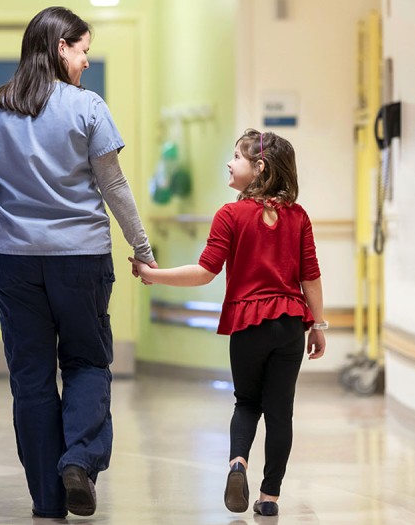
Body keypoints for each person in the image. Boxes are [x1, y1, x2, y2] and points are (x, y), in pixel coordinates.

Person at [0, 6, 156, 519]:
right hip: (81, 260)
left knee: (31, 377)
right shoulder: (87, 107)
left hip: (14, 260)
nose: (87, 62)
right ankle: (78, 461)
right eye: (84, 50)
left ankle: (48, 500)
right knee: (88, 362)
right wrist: (142, 246)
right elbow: (114, 185)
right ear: (60, 47)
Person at [130, 129, 327, 517]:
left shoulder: (230, 215)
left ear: (259, 168)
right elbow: (311, 277)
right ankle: (269, 498)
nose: (228, 163)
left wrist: (154, 275)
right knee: (280, 411)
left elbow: (205, 272)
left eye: (236, 157)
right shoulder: (297, 217)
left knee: (246, 402)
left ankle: (238, 462)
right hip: (289, 324)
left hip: (248, 325)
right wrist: (318, 326)